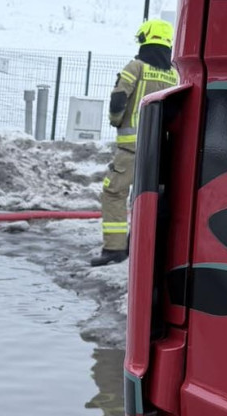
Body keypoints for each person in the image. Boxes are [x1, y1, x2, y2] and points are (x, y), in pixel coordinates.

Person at [91, 19, 180, 267]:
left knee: (114, 192)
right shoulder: (174, 74)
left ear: (145, 39)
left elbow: (119, 99)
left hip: (132, 148)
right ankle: (144, 245)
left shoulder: (136, 67)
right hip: (160, 150)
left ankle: (115, 250)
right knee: (151, 197)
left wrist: (116, 121)